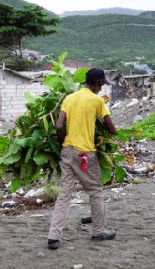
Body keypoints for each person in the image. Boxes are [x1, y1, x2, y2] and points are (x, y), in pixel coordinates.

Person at [47, 68, 117, 250]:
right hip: (85, 154)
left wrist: (63, 144)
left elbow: (59, 125)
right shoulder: (97, 101)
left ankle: (54, 236)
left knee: (64, 194)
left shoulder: (69, 99)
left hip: (67, 152)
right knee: (95, 190)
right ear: (98, 83)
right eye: (101, 84)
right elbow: (111, 129)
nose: (101, 88)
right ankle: (99, 230)